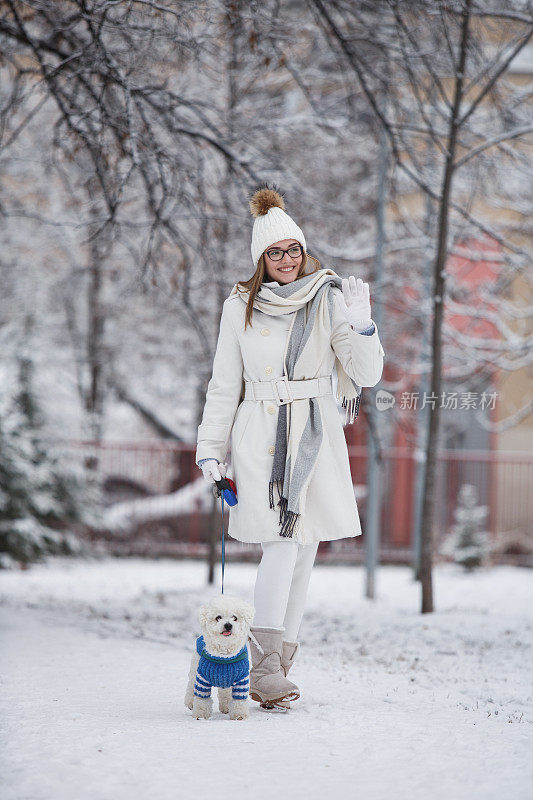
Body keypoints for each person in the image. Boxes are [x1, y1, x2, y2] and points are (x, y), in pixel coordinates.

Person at [195, 184, 384, 710]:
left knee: (305, 548)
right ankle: (259, 664)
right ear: (261, 259)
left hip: (317, 432)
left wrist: (362, 323)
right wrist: (211, 449)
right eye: (274, 252)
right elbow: (222, 383)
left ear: (304, 251)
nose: (285, 260)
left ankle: (278, 667)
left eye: (292, 250)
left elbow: (365, 374)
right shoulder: (240, 307)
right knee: (281, 542)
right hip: (258, 433)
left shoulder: (326, 298)